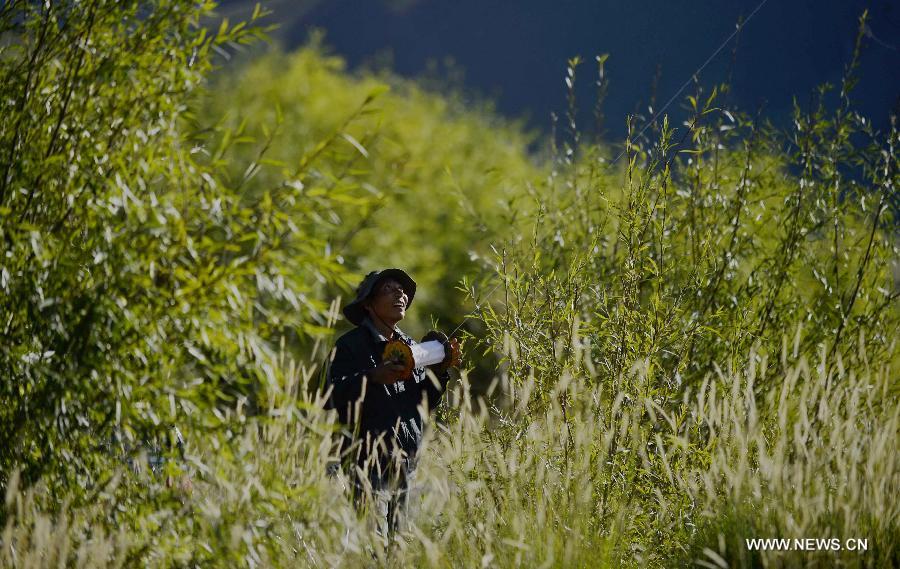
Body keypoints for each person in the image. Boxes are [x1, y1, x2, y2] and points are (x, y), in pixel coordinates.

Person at [325, 268, 458, 538]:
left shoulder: (411, 349)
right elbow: (328, 395)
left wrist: (440, 371)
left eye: (403, 290)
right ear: (368, 304)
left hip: (406, 464)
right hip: (365, 464)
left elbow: (424, 404)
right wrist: (373, 377)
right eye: (388, 288)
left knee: (399, 547)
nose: (400, 293)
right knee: (368, 546)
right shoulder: (350, 346)